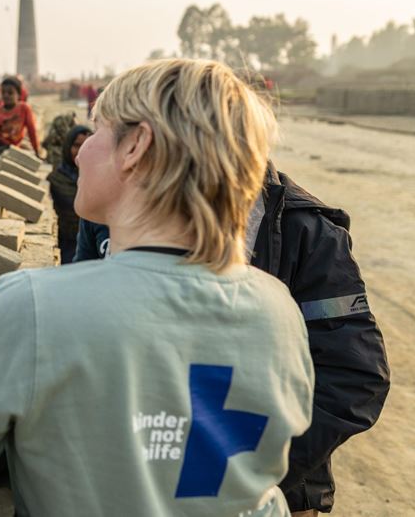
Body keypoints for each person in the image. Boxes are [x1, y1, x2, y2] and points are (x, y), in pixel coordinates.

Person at [0, 58, 314, 516]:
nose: (82, 151)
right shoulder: (279, 310)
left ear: (135, 147)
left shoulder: (34, 308)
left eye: (97, 131)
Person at [74, 170, 391, 516]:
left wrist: (249, 474)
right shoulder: (119, 206)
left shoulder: (306, 230)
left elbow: (353, 375)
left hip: (277, 492)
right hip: (138, 477)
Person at [46, 125, 92, 263]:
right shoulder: (56, 179)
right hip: (67, 245)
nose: (81, 151)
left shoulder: (101, 179)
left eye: (87, 145)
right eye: (77, 145)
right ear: (67, 147)